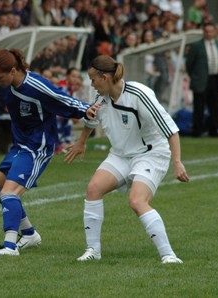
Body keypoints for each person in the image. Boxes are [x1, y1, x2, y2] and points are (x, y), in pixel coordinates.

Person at [0, 48, 97, 257]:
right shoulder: (8, 79)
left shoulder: (36, 87)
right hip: (21, 144)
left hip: (37, 147)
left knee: (8, 193)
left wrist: (86, 109)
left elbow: (62, 99)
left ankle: (10, 246)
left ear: (12, 71)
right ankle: (28, 233)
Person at [64, 55, 189, 264]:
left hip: (150, 154)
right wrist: (81, 142)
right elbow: (91, 119)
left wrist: (177, 162)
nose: (92, 84)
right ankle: (93, 251)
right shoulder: (101, 97)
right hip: (120, 154)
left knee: (136, 200)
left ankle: (169, 255)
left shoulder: (140, 94)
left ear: (104, 77)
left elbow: (171, 130)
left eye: (93, 80)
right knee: (93, 188)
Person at [186, 22, 218, 137]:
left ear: (215, 32)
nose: (209, 34)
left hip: (215, 78)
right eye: (207, 31)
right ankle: (197, 130)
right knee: (199, 106)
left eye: (211, 31)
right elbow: (189, 64)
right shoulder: (197, 46)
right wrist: (195, 76)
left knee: (215, 105)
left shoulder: (217, 44)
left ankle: (213, 129)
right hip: (201, 79)